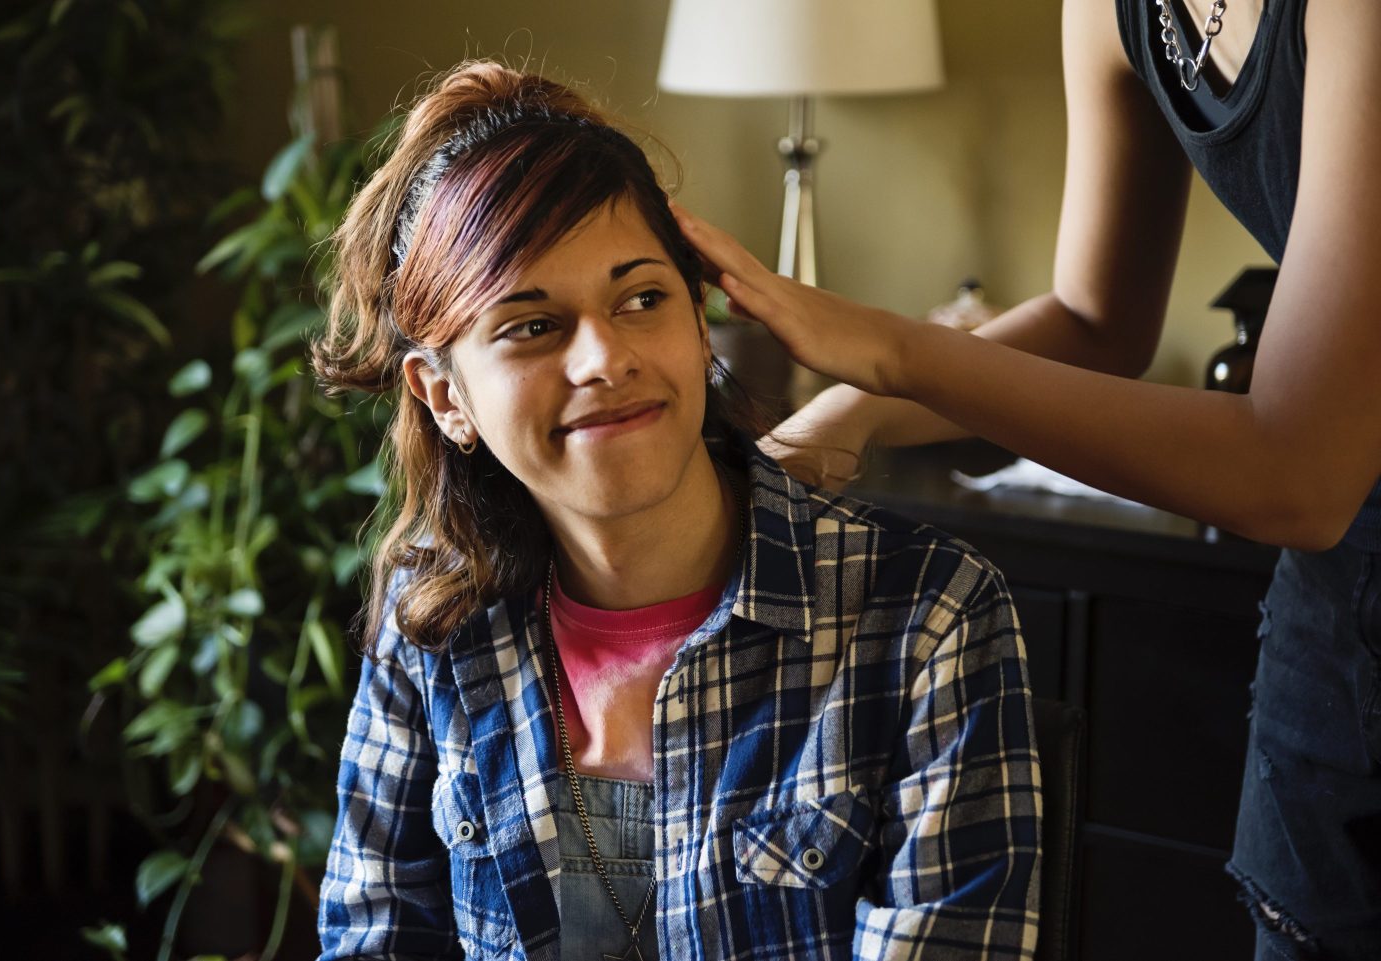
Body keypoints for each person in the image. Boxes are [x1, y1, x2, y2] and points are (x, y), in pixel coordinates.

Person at [672, 1, 1381, 958]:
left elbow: (1299, 472)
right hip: (1343, 604)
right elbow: (1097, 322)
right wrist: (853, 409)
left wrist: (895, 352)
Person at [311, 62, 1041, 961]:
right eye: (532, 324)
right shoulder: (432, 620)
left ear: (702, 326)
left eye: (643, 298)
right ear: (443, 396)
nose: (605, 358)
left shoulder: (926, 619)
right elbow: (373, 937)